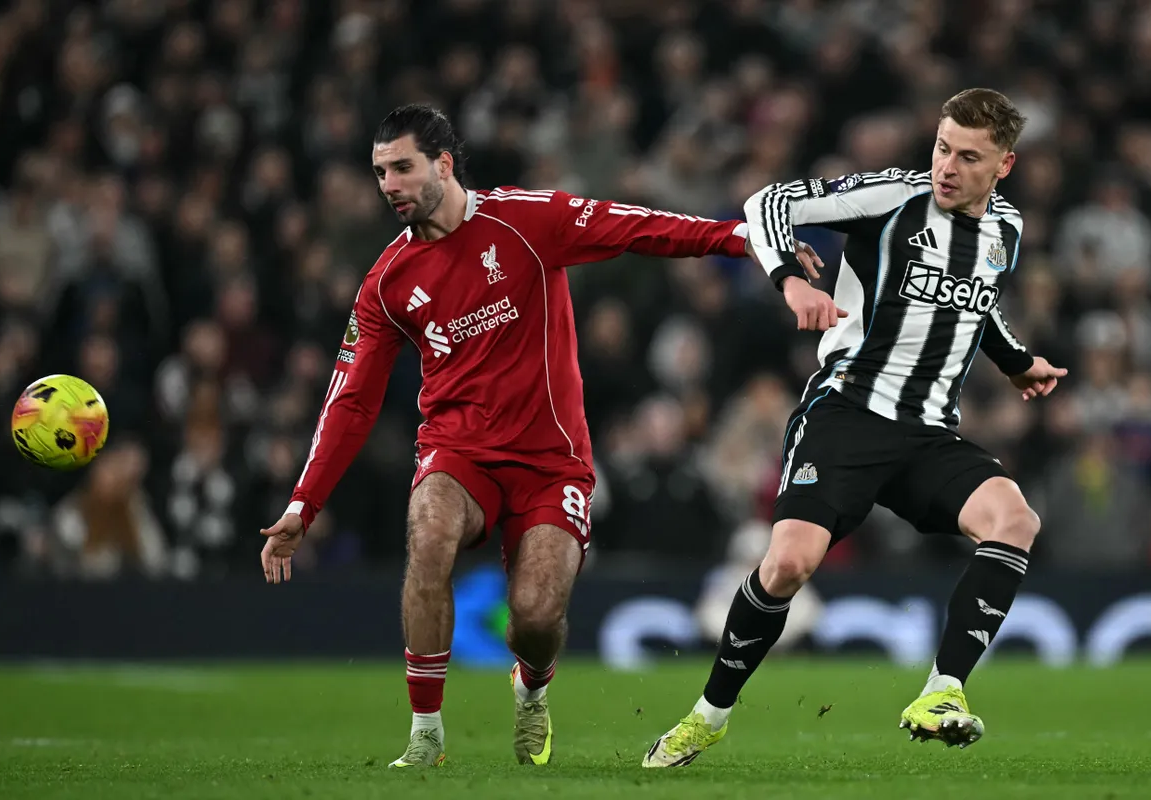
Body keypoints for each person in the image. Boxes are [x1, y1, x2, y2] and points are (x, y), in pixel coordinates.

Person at [258, 104, 836, 768]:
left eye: (402, 167)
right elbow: (350, 398)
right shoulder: (388, 281)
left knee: (534, 619)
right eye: (380, 171)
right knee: (430, 529)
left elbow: (642, 228)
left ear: (443, 164)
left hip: (550, 462)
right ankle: (425, 735)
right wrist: (304, 504)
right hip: (457, 450)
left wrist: (749, 242)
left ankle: (531, 689)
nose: (388, 184)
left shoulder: (527, 221)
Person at [643, 88, 1068, 767]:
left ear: (1004, 165)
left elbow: (977, 307)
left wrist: (1016, 363)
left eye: (968, 156)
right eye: (941, 147)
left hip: (928, 432)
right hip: (847, 413)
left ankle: (943, 692)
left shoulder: (1006, 231)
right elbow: (767, 203)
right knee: (787, 564)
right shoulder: (892, 195)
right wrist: (789, 279)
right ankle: (709, 714)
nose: (947, 166)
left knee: (1014, 519)